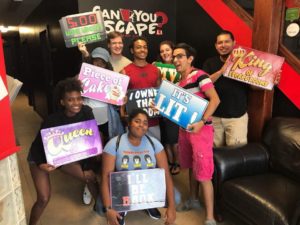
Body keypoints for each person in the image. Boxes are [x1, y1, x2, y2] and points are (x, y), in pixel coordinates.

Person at [27, 77, 99, 225]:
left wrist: (86, 168)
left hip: (62, 156)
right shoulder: (52, 120)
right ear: (62, 102)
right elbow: (38, 147)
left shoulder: (87, 113)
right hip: (40, 157)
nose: (76, 103)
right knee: (43, 198)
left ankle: (101, 208)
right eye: (71, 100)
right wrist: (41, 164)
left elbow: (89, 144)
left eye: (79, 98)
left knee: (90, 177)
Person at [101, 108, 176, 225]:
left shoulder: (154, 144)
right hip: (123, 190)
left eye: (145, 123)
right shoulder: (114, 144)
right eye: (137, 121)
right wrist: (108, 208)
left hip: (148, 189)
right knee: (103, 206)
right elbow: (105, 178)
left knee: (176, 197)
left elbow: (166, 174)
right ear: (129, 123)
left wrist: (172, 207)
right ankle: (121, 209)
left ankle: (149, 203)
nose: (141, 125)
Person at [173, 43, 220, 225]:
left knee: (204, 173)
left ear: (190, 59)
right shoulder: (178, 83)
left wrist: (203, 121)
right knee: (191, 166)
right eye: (174, 57)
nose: (176, 60)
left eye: (180, 56)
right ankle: (193, 200)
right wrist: (159, 107)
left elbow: (215, 100)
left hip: (201, 130)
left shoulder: (200, 76)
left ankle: (210, 218)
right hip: (185, 130)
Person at [77, 45, 124, 205]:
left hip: (107, 119)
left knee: (107, 152)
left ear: (106, 64)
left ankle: (107, 185)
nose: (98, 65)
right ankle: (88, 184)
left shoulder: (112, 78)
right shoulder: (82, 76)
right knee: (90, 153)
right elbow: (73, 95)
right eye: (95, 61)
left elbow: (117, 102)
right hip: (88, 118)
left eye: (101, 63)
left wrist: (121, 100)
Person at [202, 30, 249, 147]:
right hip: (214, 117)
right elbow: (203, 84)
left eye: (227, 42)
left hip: (236, 118)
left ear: (234, 43)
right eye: (220, 43)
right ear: (216, 46)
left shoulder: (245, 63)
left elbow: (256, 87)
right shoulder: (209, 62)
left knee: (236, 154)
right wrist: (222, 71)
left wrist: (270, 80)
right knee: (213, 154)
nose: (223, 45)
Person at [120, 36, 161, 141]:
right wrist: (122, 113)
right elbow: (121, 96)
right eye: (138, 47)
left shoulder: (156, 70)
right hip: (133, 122)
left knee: (154, 150)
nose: (142, 50)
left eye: (145, 47)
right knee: (134, 152)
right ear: (132, 50)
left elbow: (160, 94)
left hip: (152, 121)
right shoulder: (124, 71)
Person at [153, 40, 181, 175]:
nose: (165, 53)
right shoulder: (155, 67)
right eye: (162, 51)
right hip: (159, 107)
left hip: (174, 107)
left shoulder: (181, 66)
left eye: (167, 50)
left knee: (173, 139)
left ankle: (177, 162)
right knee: (165, 139)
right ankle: (169, 162)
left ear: (173, 50)